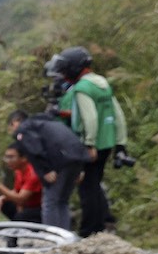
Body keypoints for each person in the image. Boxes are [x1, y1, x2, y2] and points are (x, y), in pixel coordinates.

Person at [48, 46, 124, 237]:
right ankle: (101, 225)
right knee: (94, 183)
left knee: (87, 188)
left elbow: (89, 118)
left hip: (92, 144)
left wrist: (89, 144)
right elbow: (117, 114)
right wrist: (121, 142)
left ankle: (89, 230)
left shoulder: (81, 88)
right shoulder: (102, 83)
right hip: (107, 142)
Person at [7, 106, 90, 232]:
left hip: (59, 161)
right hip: (77, 157)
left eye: (11, 126)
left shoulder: (24, 129)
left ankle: (51, 237)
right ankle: (64, 236)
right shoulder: (50, 122)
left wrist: (45, 170)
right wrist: (81, 168)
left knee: (50, 202)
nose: (12, 130)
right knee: (62, 201)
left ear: (15, 122)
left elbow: (34, 148)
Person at [0, 143, 43, 223]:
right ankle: (17, 224)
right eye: (6, 157)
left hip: (37, 209)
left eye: (11, 157)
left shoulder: (33, 174)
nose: (8, 161)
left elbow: (20, 199)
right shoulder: (18, 171)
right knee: (5, 204)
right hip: (25, 206)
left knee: (21, 216)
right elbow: (16, 191)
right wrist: (2, 198)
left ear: (24, 158)